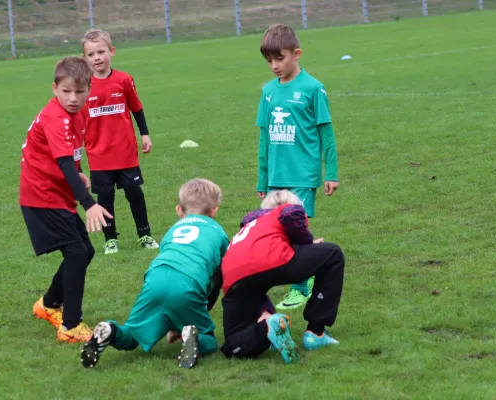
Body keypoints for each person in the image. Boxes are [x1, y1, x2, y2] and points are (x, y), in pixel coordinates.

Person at [81, 179, 229, 369]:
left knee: (133, 334)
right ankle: (196, 339)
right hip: (188, 284)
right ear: (214, 211)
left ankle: (110, 330)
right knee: (209, 337)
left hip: (155, 278)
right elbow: (219, 277)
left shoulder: (172, 231)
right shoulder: (219, 233)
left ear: (179, 211)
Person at [20, 56, 112, 343]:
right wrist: (89, 202)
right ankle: (71, 325)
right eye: (66, 91)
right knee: (76, 253)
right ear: (54, 89)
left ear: (88, 89)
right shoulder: (55, 117)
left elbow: (72, 154)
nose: (73, 98)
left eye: (80, 92)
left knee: (86, 252)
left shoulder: (79, 114)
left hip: (57, 193)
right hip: (41, 195)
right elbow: (61, 162)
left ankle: (48, 304)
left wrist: (80, 173)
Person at [255, 24, 340, 310]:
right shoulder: (268, 92)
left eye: (280, 58)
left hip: (303, 175)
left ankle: (300, 287)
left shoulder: (313, 88)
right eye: (269, 61)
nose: (274, 66)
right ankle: (307, 274)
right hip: (277, 177)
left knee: (297, 228)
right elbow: (264, 138)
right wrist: (262, 180)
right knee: (278, 230)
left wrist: (331, 173)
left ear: (297, 54)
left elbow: (326, 134)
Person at [219, 190, 345, 363]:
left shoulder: (251, 225)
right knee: (333, 255)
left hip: (233, 276)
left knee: (233, 344)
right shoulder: (286, 212)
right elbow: (291, 219)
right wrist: (307, 244)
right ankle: (315, 333)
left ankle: (266, 326)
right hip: (270, 259)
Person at [80, 29, 159, 255]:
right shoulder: (83, 86)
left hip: (125, 152)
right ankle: (110, 238)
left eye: (101, 52)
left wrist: (144, 134)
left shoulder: (124, 80)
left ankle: (144, 234)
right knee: (105, 198)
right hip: (98, 155)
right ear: (85, 58)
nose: (97, 58)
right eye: (91, 54)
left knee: (135, 192)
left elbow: (136, 107)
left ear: (111, 52)